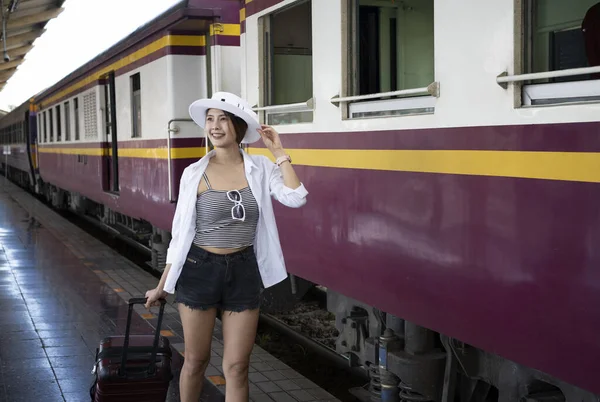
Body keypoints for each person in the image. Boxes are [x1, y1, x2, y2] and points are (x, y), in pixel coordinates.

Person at [143, 92, 308, 401]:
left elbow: (296, 197)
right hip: (198, 270)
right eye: (209, 119)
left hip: (244, 271)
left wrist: (279, 152)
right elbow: (180, 236)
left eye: (222, 119)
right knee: (195, 361)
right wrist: (162, 286)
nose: (215, 127)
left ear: (238, 127)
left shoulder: (259, 167)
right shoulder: (194, 173)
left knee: (237, 367)